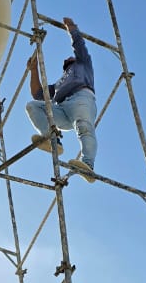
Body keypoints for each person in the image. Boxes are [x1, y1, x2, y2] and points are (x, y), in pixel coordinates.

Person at [25, 15, 97, 182]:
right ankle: (52, 140)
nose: (66, 60)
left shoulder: (83, 64)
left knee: (84, 127)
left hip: (81, 98)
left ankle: (88, 165)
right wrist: (33, 70)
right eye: (65, 63)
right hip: (63, 109)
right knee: (33, 106)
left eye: (69, 60)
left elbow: (79, 46)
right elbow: (38, 94)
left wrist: (71, 28)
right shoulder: (59, 84)